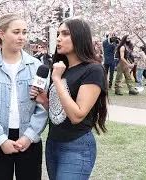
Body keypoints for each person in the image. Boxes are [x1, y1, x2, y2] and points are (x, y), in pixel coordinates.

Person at [30, 18, 108, 180]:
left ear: (80, 37)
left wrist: (57, 80)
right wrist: (44, 100)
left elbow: (77, 115)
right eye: (58, 34)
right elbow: (59, 111)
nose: (58, 38)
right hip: (53, 143)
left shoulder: (93, 70)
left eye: (65, 34)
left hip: (76, 145)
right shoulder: (60, 68)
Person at [0, 14, 48, 180]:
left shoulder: (36, 66)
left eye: (24, 32)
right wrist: (0, 140)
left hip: (29, 140)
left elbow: (43, 107)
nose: (22, 37)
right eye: (16, 32)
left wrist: (29, 136)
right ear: (1, 34)